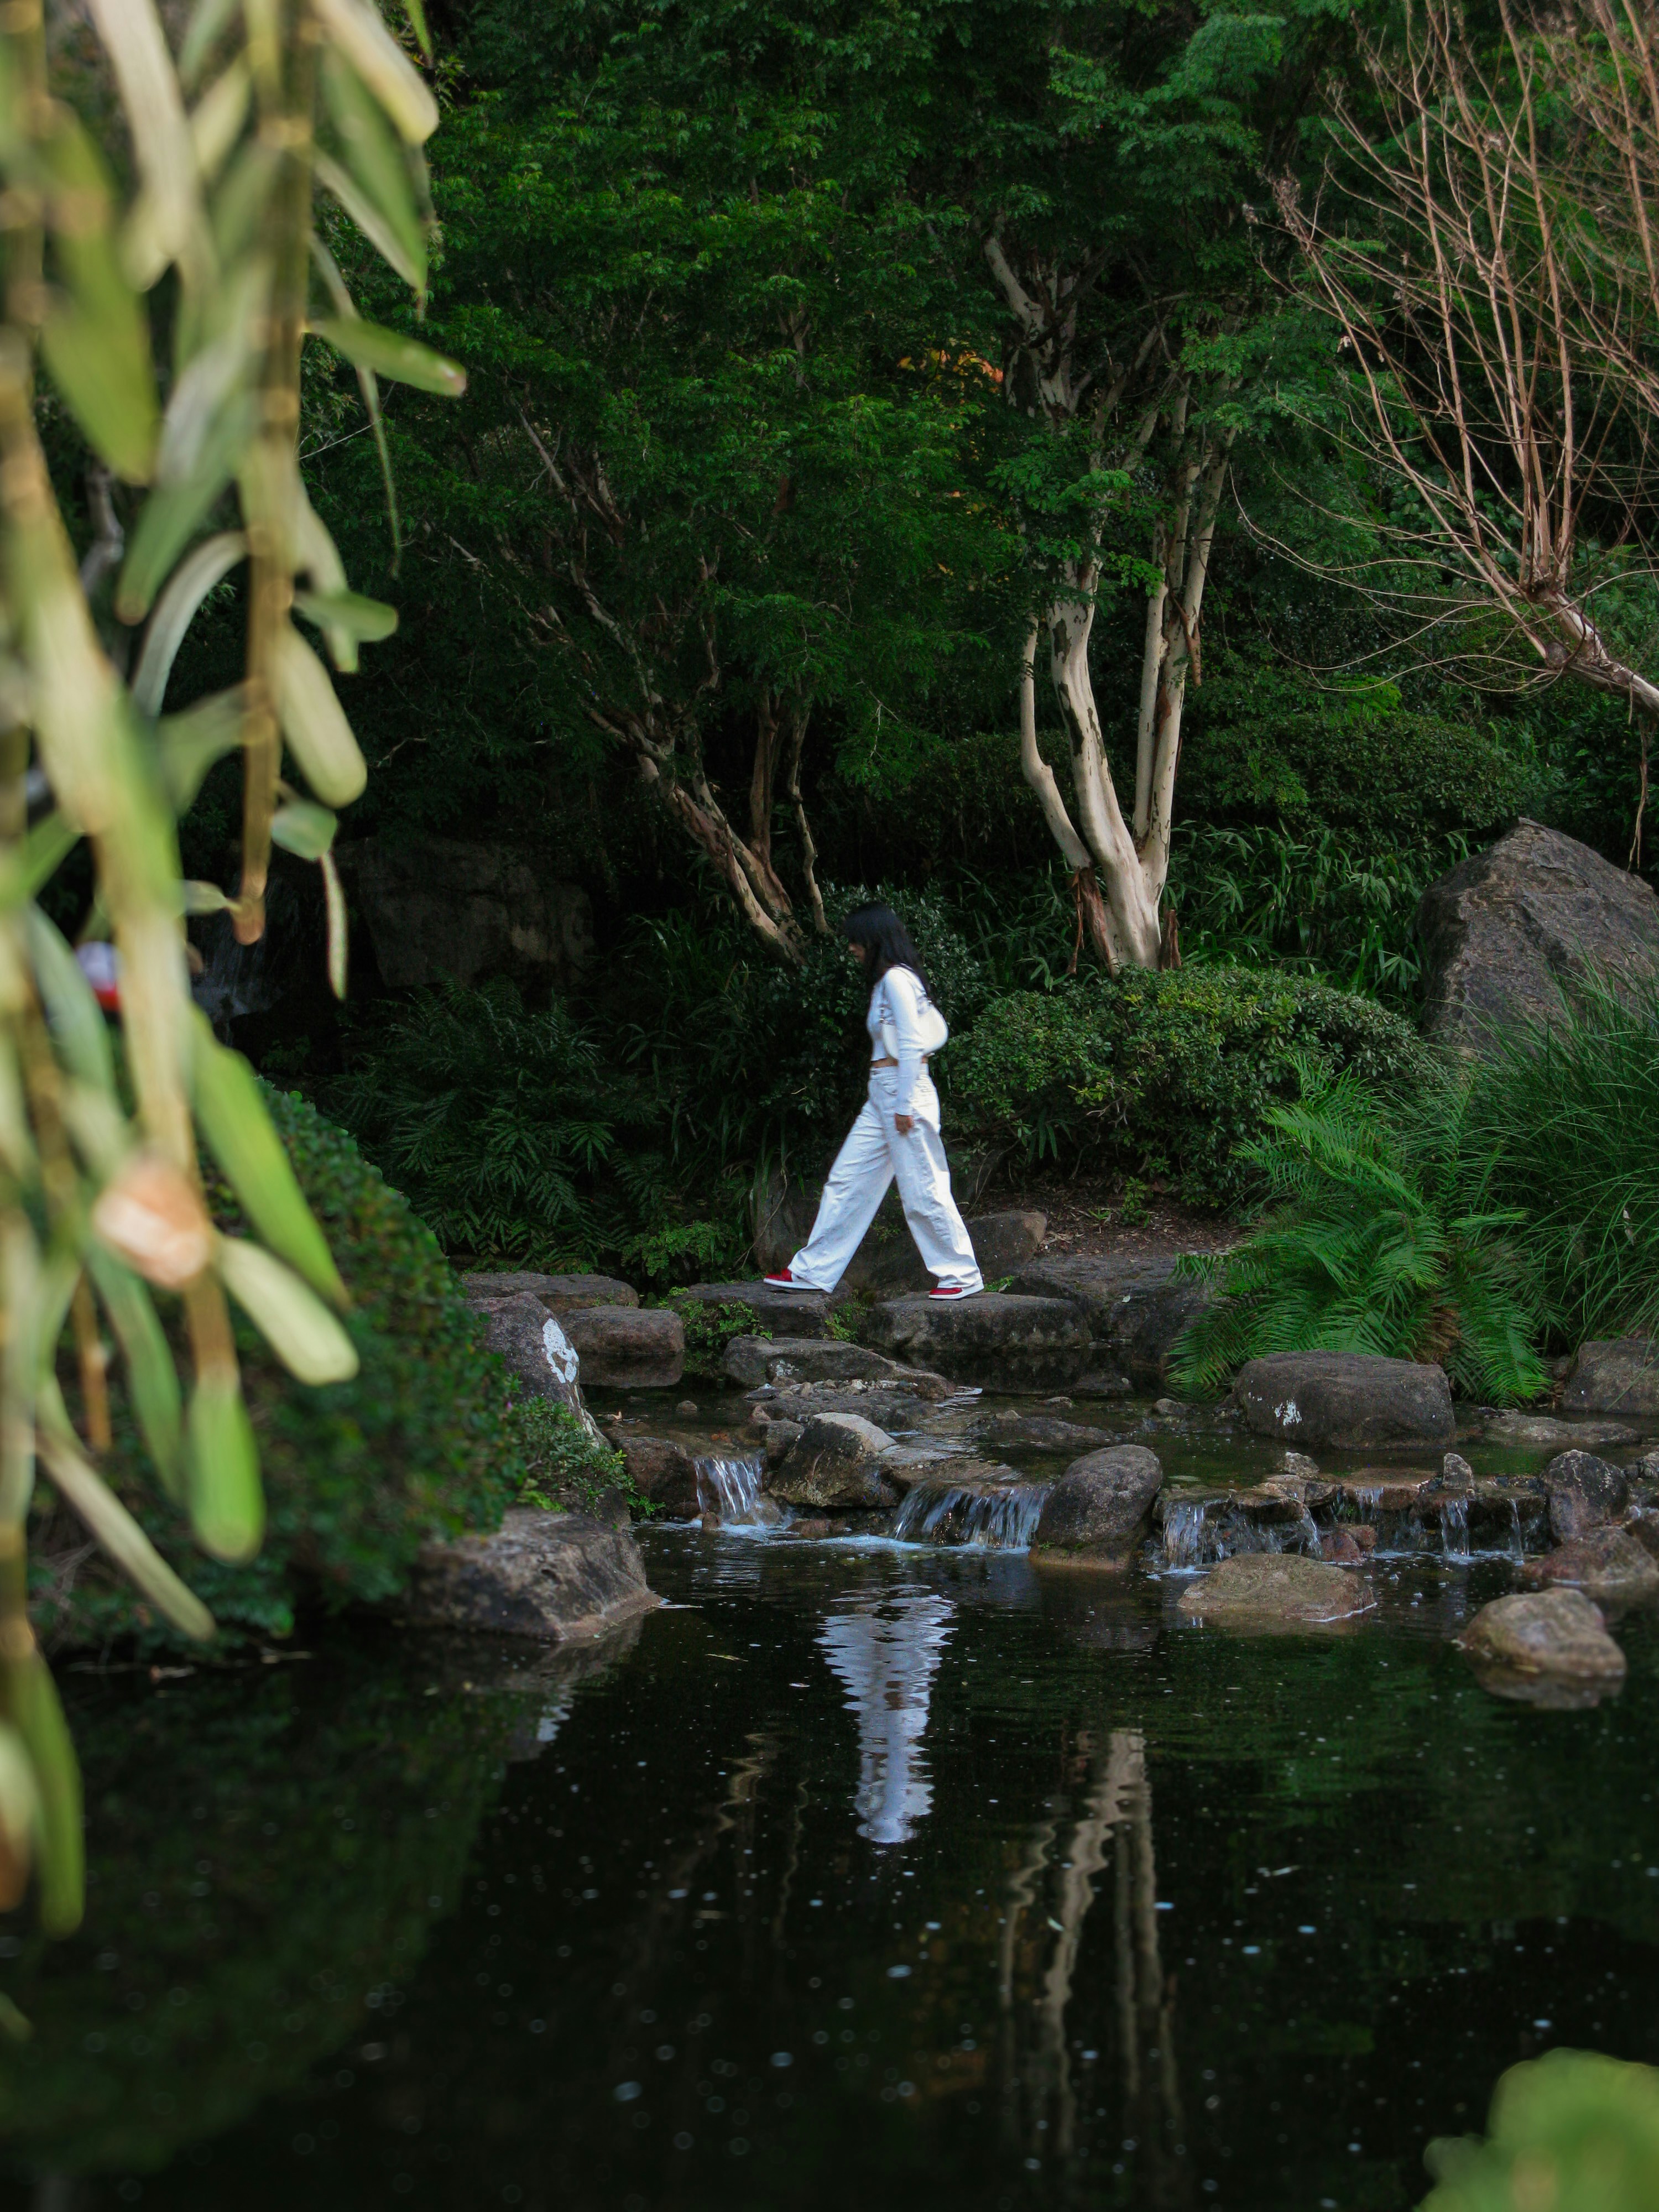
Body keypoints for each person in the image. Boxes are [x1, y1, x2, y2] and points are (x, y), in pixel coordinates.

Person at [764, 904, 983, 1300]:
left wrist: (902, 1104)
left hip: (904, 1092)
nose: (851, 948)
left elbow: (913, 1043)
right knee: (847, 1181)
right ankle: (814, 1271)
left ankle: (961, 1275)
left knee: (923, 1188)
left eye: (855, 940)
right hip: (884, 1093)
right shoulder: (890, 981)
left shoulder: (898, 980)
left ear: (874, 939)